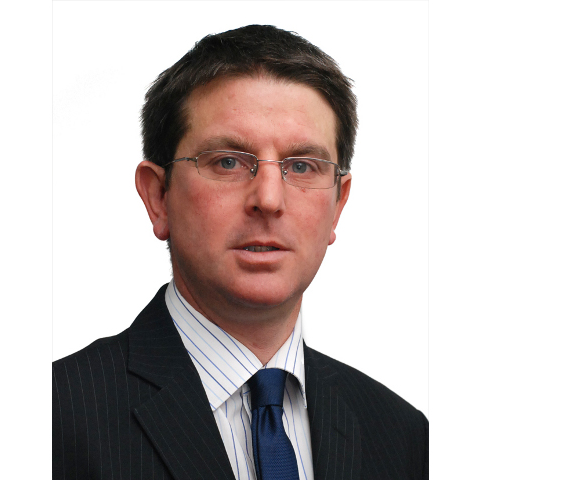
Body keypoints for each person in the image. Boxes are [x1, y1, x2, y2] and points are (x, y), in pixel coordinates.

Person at [53, 25, 428, 480]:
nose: (268, 199)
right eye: (227, 161)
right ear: (158, 197)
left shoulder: (403, 437)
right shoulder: (56, 418)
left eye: (302, 166)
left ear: (338, 204)